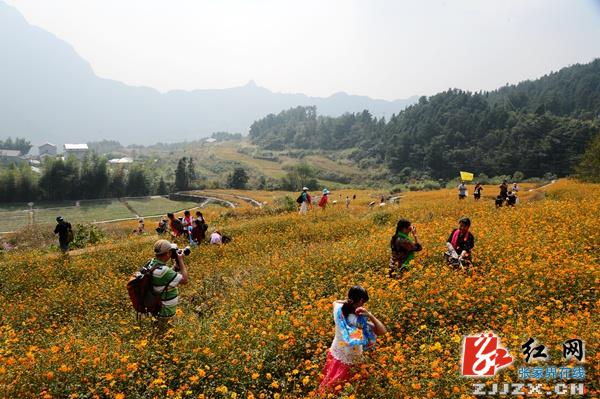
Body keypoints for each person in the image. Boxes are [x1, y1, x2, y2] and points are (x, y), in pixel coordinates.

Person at [319, 286, 386, 392]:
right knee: (346, 390)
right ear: (361, 301)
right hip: (351, 358)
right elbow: (382, 331)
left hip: (336, 352)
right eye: (363, 302)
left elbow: (335, 301)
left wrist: (349, 302)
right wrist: (369, 315)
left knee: (330, 385)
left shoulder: (338, 308)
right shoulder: (357, 322)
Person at [150, 239, 189, 328]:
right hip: (166, 312)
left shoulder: (152, 263)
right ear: (168, 253)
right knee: (167, 335)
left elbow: (164, 276)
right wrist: (181, 261)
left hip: (157, 307)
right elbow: (185, 280)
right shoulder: (164, 271)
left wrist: (175, 266)